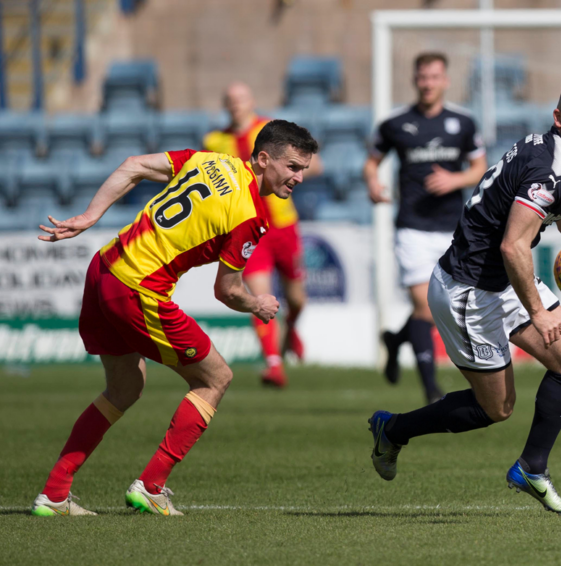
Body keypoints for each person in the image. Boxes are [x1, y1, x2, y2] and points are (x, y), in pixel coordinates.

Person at [367, 76, 561, 515]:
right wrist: (538, 313)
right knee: (496, 408)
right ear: (560, 118)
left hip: (506, 280)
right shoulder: (547, 168)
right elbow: (513, 246)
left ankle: (531, 469)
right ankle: (394, 429)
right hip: (469, 290)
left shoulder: (559, 153)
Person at [31, 120, 318, 516]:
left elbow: (133, 165)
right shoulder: (250, 212)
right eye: (292, 166)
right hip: (137, 288)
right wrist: (259, 305)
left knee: (125, 387)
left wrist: (90, 215)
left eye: (303, 168)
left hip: (104, 269)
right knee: (216, 378)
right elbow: (228, 290)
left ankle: (55, 493)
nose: (299, 177)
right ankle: (151, 486)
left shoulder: (210, 161)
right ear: (264, 158)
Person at [363, 52, 488, 404]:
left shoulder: (462, 123)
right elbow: (371, 164)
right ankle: (431, 389)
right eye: (422, 77)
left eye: (434, 77)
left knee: (437, 306)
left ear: (445, 80)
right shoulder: (395, 124)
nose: (428, 83)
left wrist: (455, 179)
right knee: (424, 305)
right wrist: (372, 183)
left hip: (454, 229)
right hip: (412, 227)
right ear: (415, 80)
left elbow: (480, 168)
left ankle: (396, 339)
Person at [204, 82, 322, 388]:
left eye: (240, 99)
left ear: (251, 101)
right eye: (230, 100)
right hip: (248, 226)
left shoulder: (273, 134)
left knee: (297, 299)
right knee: (258, 294)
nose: (235, 105)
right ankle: (273, 364)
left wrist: (292, 172)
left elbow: (316, 164)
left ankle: (291, 329)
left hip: (283, 227)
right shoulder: (215, 140)